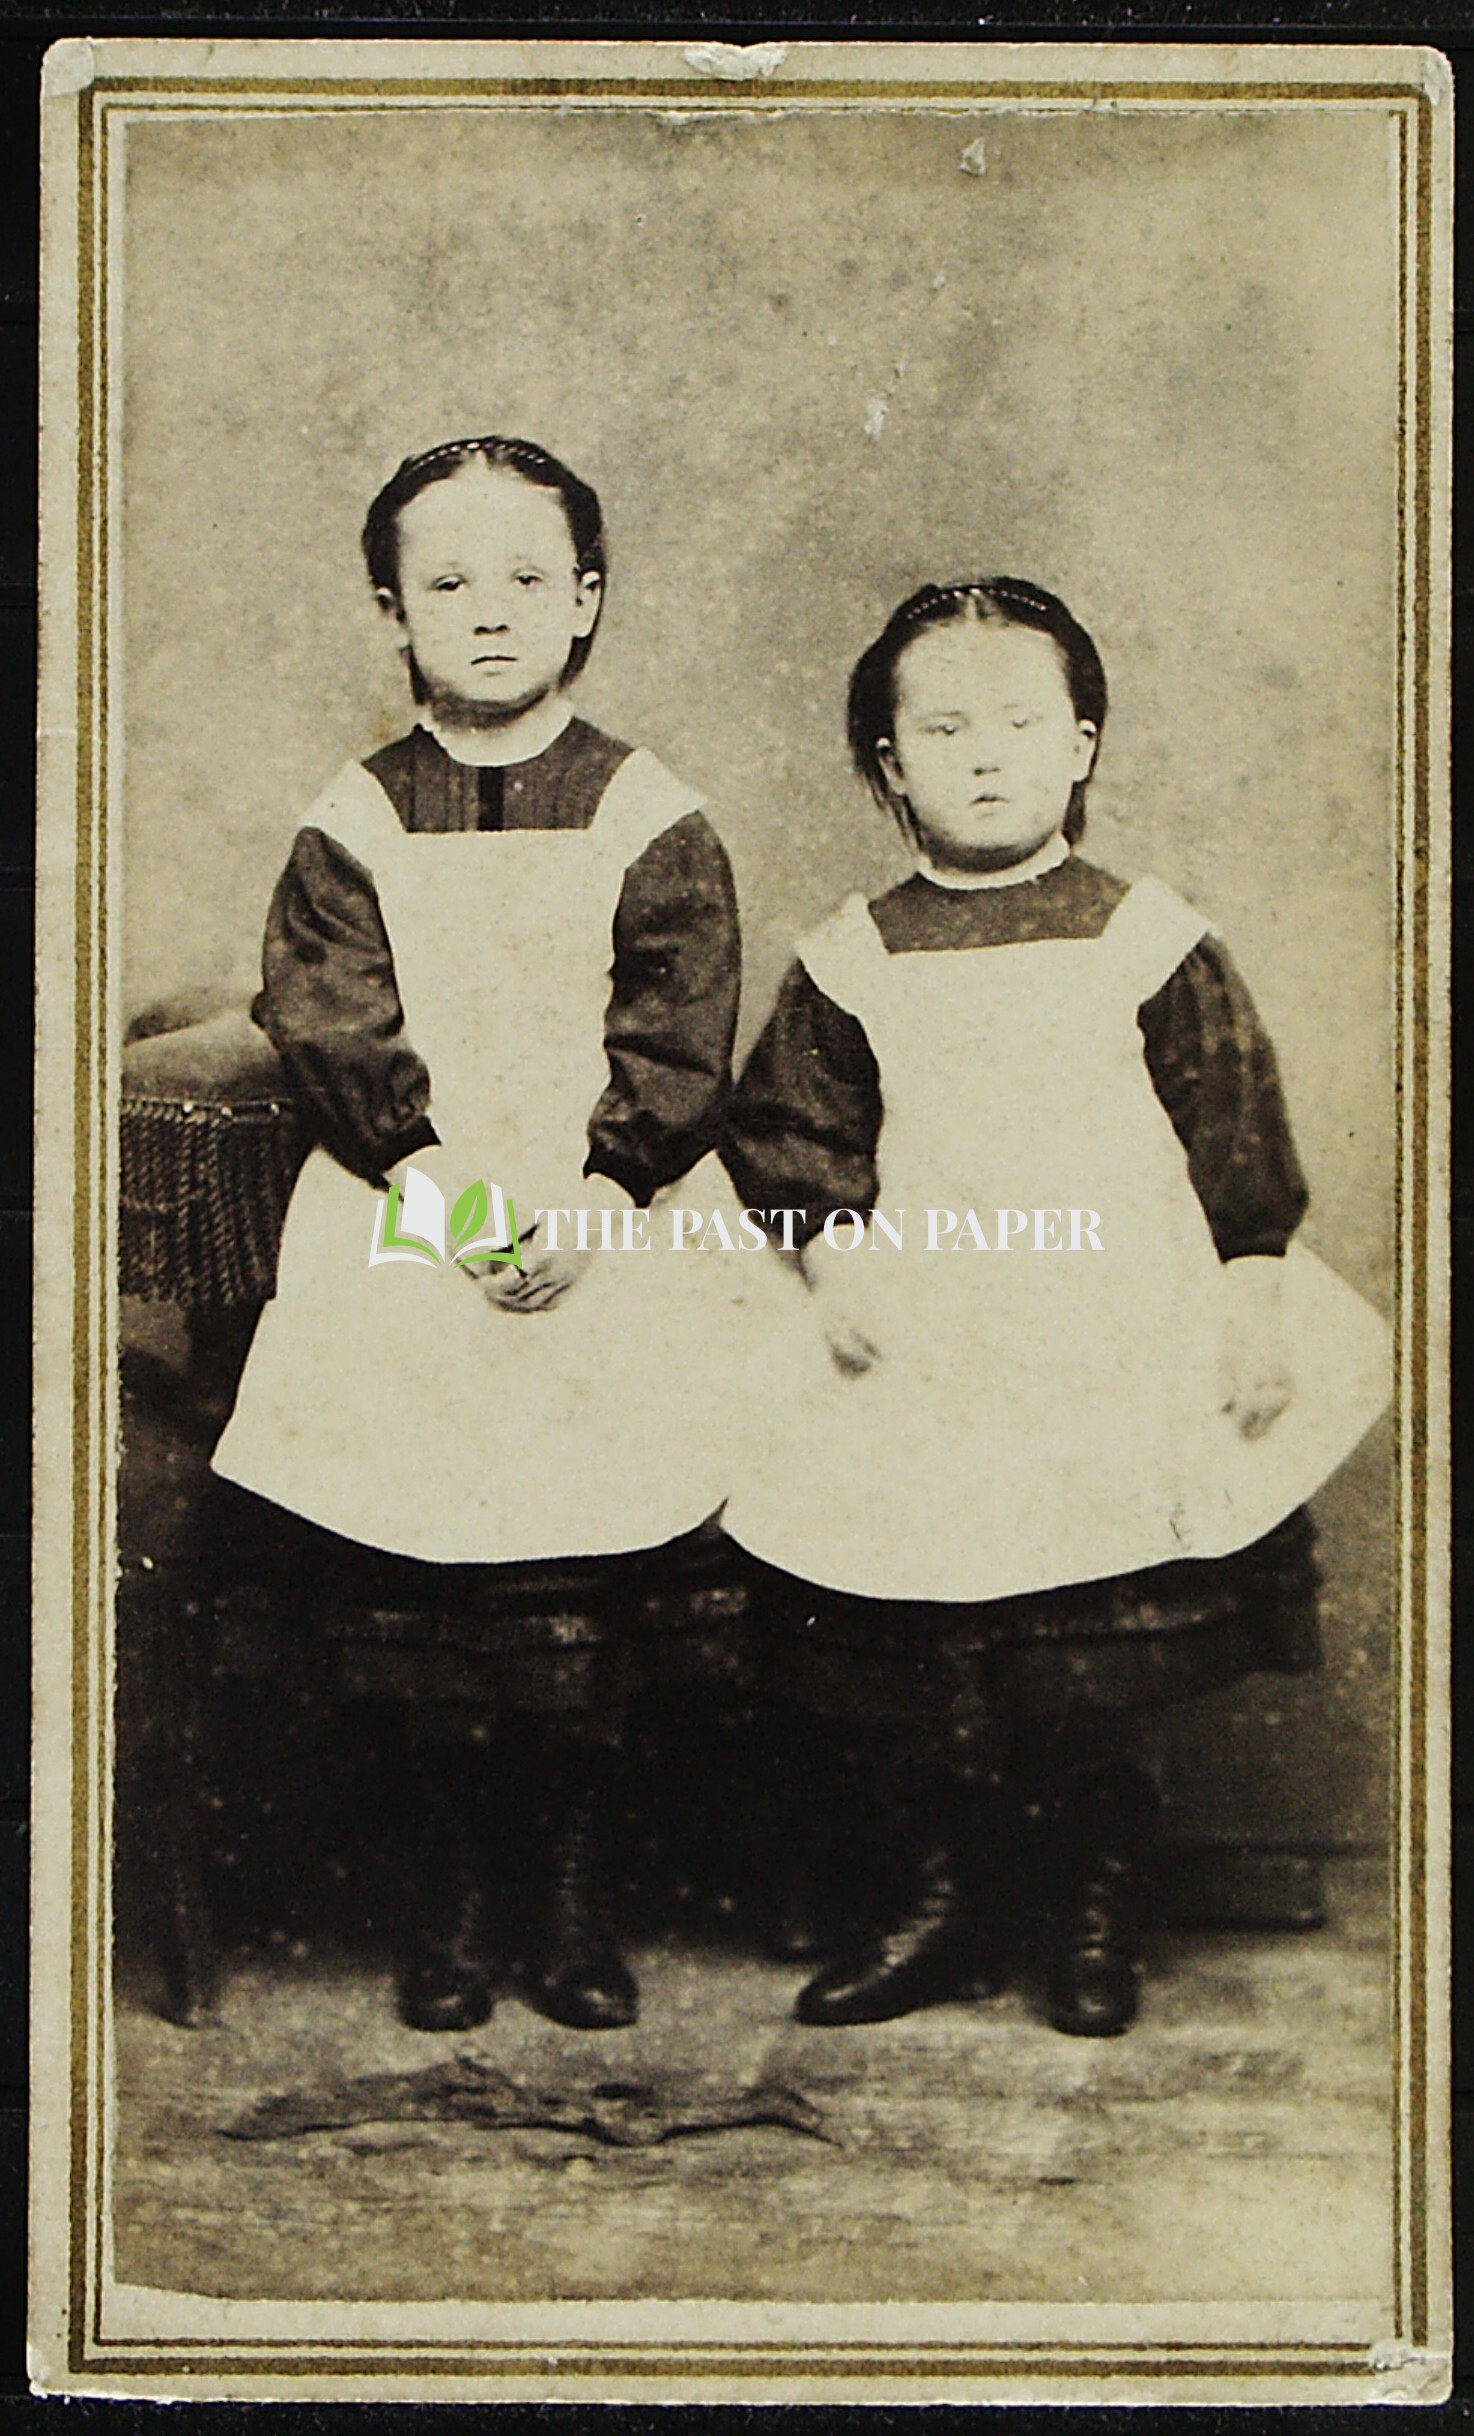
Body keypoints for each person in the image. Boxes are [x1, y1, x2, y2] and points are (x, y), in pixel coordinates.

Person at [722, 577, 1389, 2036]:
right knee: (937, 1629)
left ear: (1080, 743)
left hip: (1108, 1325)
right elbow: (792, 1131)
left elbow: (1234, 1129)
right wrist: (831, 1261)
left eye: (1020, 723)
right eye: (942, 726)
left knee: (1084, 1643)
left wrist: (1253, 1291)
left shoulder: (1147, 938)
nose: (984, 754)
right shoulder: (850, 954)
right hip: (934, 1335)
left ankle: (1090, 1904)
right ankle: (949, 1901)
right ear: (886, 762)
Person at [212, 435, 740, 2034]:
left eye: (527, 577)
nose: (489, 612)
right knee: (427, 1602)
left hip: (605, 1215)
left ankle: (568, 1897)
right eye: (446, 582)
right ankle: (446, 1899)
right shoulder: (351, 819)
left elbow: (678, 1018)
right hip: (407, 1215)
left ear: (585, 600)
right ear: (391, 610)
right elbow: (328, 1013)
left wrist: (599, 1188)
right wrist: (435, 1187)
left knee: (579, 1585)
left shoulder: (652, 811)